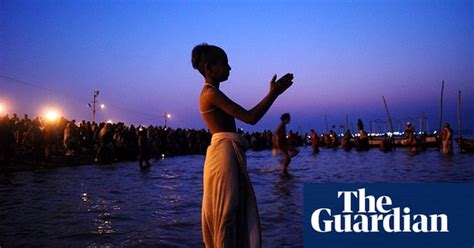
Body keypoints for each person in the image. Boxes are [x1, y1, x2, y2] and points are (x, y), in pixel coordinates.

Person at [192, 43, 293, 248]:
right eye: (225, 64)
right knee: (226, 213)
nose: (230, 68)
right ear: (209, 69)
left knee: (234, 211)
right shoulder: (210, 94)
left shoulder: (212, 92)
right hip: (223, 155)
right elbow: (250, 117)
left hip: (226, 152)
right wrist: (273, 94)